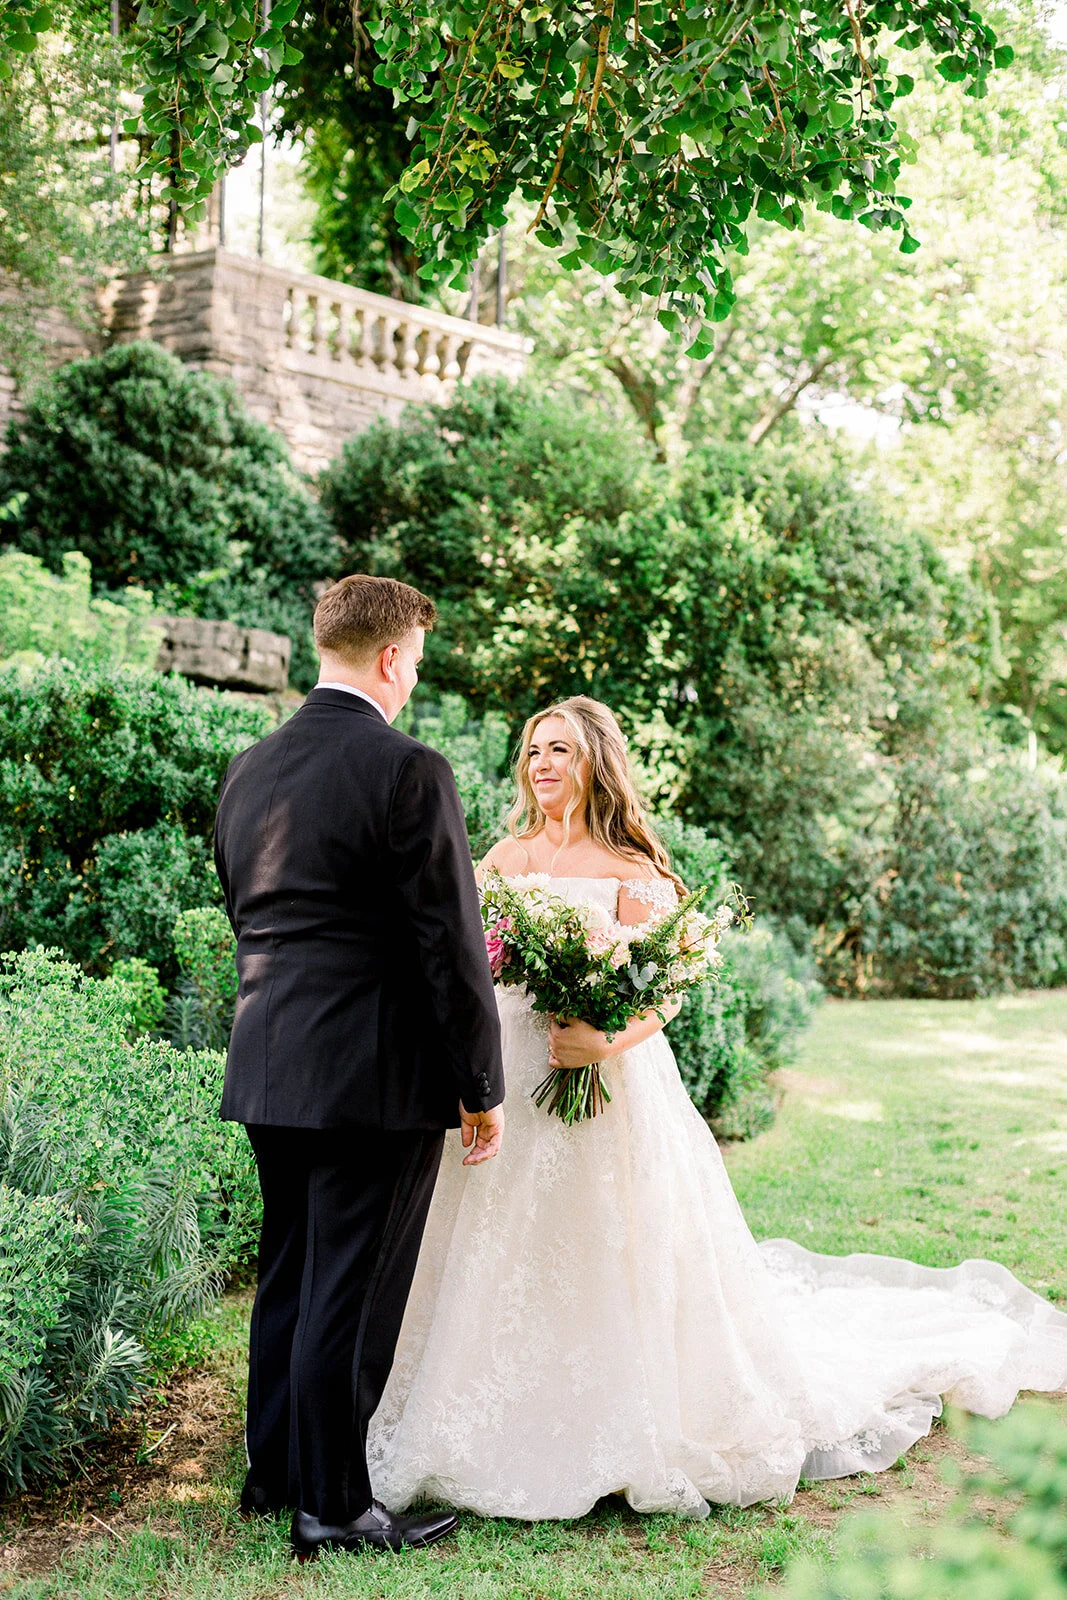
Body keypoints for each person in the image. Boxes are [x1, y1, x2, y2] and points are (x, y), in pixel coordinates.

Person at [367, 694, 1067, 1520]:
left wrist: (601, 1043)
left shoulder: (633, 869)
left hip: (609, 1082)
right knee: (492, 1244)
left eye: (558, 750)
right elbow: (466, 960)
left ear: (595, 763)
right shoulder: (503, 857)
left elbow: (662, 993)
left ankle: (621, 1413)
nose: (541, 765)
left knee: (605, 1240)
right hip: (512, 1075)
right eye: (531, 752)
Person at [213, 574, 505, 1560]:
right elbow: (448, 944)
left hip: (268, 1055)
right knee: (349, 1285)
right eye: (415, 662)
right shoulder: (407, 768)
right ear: (391, 657)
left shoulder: (249, 768)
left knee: (291, 1270)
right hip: (370, 1072)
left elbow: (247, 914)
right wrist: (479, 1084)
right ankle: (332, 1505)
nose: (413, 679)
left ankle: (274, 1473)